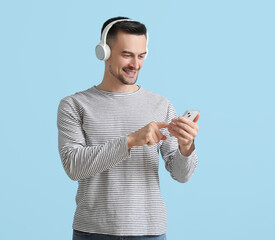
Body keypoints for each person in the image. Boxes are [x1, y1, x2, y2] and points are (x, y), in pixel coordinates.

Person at [57, 16, 200, 240]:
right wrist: (131, 141)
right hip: (93, 231)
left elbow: (181, 175)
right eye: (127, 55)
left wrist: (186, 147)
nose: (135, 64)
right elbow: (73, 167)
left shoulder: (161, 105)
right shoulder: (74, 105)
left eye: (141, 55)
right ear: (104, 52)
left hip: (149, 232)